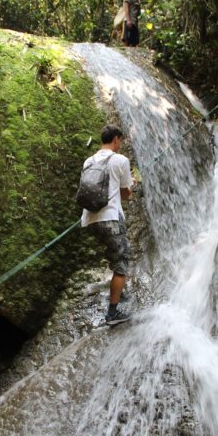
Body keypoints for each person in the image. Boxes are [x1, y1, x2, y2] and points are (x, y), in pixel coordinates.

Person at [81, 125, 134, 326]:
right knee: (121, 265)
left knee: (113, 257)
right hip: (110, 218)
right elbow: (125, 195)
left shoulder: (88, 161)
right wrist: (132, 185)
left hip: (90, 220)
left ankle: (118, 293)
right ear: (116, 140)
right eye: (120, 141)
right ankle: (112, 314)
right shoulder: (120, 160)